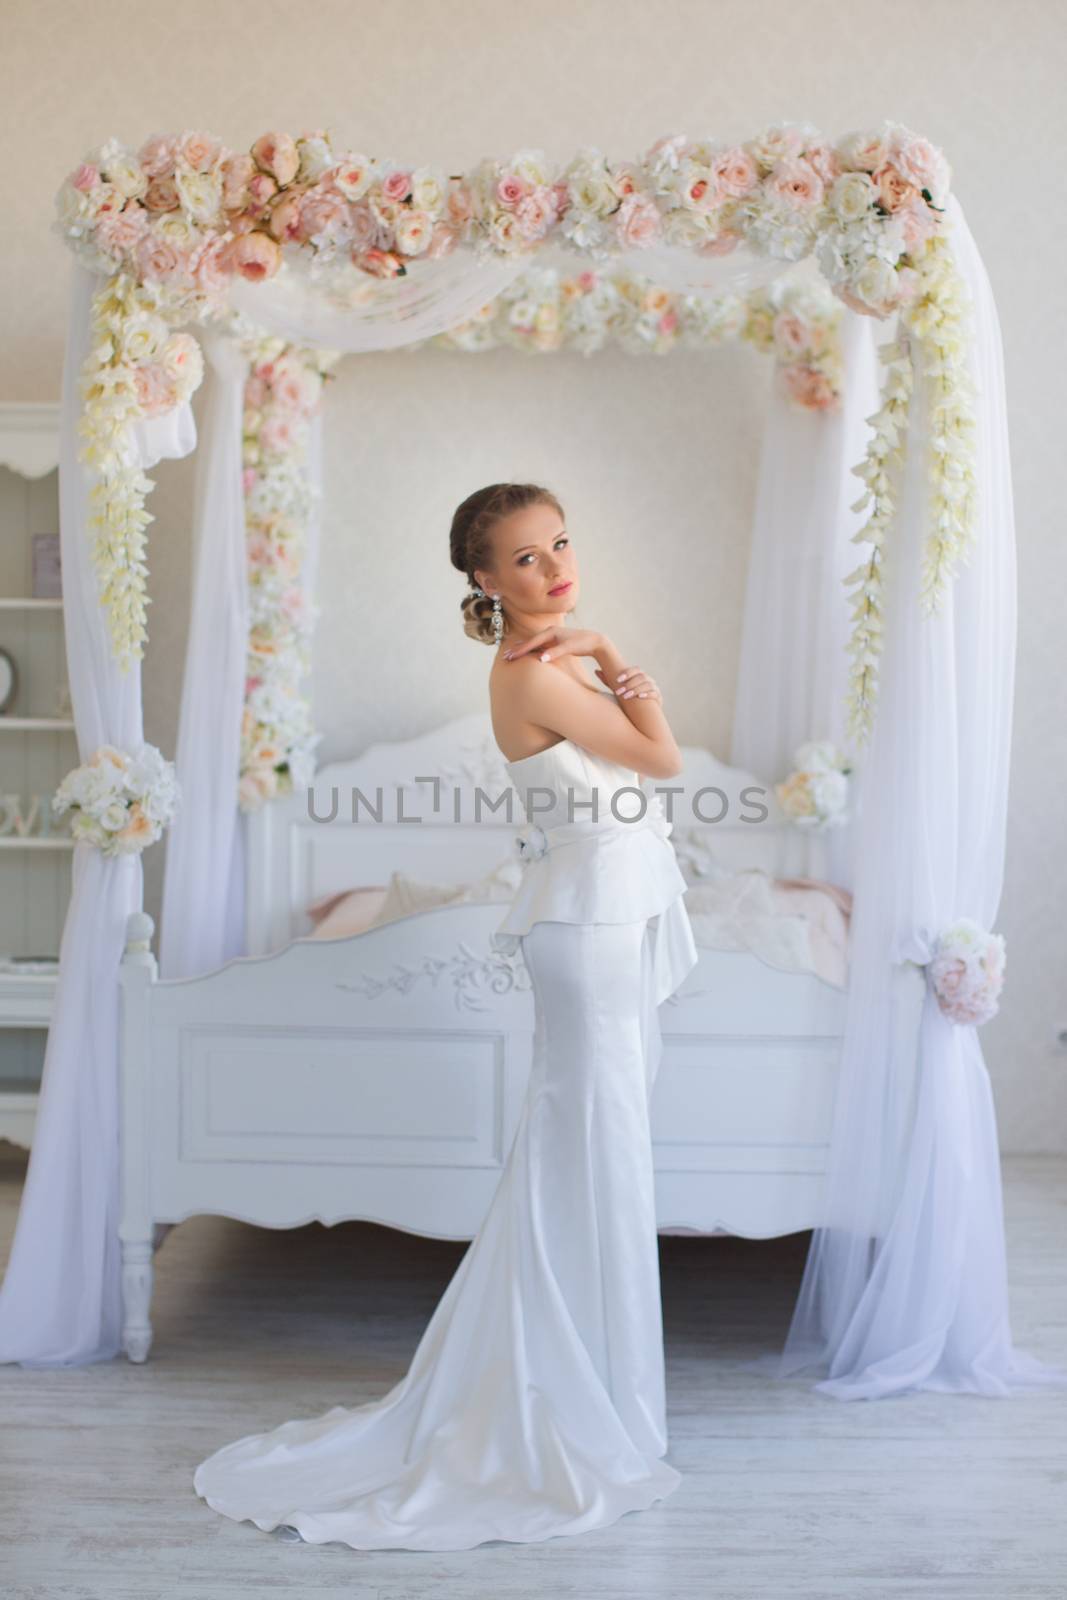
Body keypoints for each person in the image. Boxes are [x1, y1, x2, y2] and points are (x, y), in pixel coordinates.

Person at [193, 482, 699, 1550]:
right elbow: (660, 759)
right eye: (523, 558)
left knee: (592, 1151)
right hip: (586, 927)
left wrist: (599, 652)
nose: (553, 568)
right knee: (589, 1149)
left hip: (606, 918)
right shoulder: (531, 673)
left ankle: (599, 1388)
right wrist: (624, 668)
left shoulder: (548, 661)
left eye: (559, 543)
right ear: (482, 580)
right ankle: (582, 1402)